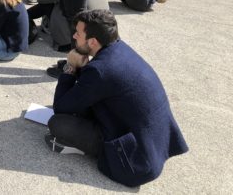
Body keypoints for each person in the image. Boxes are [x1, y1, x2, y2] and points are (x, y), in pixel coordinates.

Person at [46, 10, 188, 187]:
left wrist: (70, 67)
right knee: (81, 104)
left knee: (58, 123)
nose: (74, 36)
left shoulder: (100, 70)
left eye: (78, 33)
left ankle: (85, 148)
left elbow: (60, 107)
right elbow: (93, 87)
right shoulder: (119, 48)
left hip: (134, 161)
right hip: (155, 142)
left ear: (92, 42)